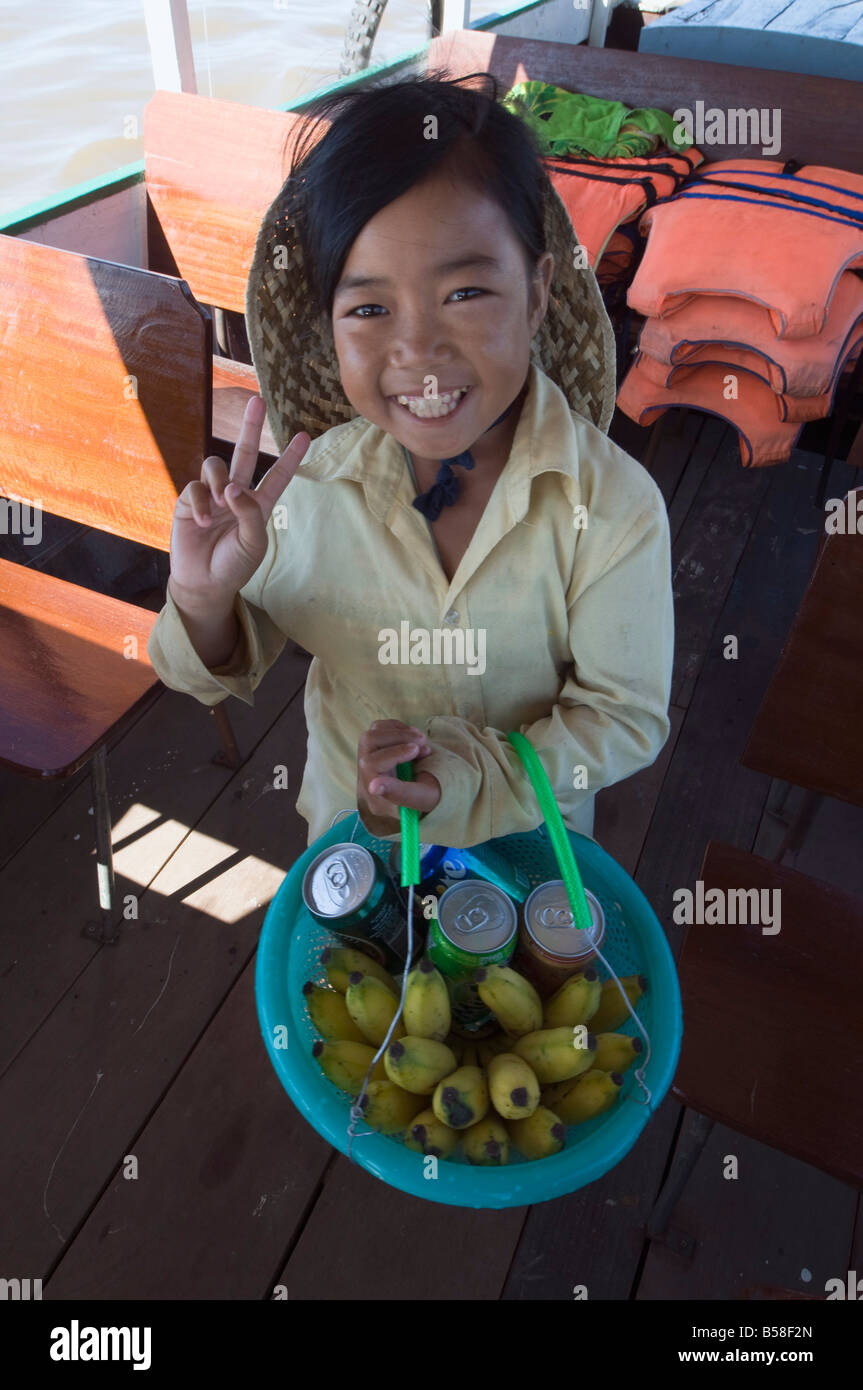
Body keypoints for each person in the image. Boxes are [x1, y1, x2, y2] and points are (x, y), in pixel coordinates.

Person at [147, 72, 674, 852]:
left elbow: (623, 715)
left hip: (532, 843)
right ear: (328, 329)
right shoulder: (307, 490)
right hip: (352, 839)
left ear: (536, 294)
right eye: (367, 308)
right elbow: (218, 663)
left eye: (464, 293)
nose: (417, 350)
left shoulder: (611, 507)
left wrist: (468, 783)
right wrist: (201, 598)